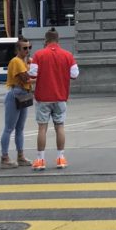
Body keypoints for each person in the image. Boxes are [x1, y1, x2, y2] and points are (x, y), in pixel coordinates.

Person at [28, 29, 79, 171]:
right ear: (58, 40)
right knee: (60, 127)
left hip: (43, 97)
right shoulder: (68, 55)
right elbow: (75, 74)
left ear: (46, 40)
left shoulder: (39, 54)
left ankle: (40, 159)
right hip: (60, 96)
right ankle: (60, 158)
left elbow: (32, 73)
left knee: (42, 128)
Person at [0, 39, 33, 169]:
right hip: (16, 93)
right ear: (17, 50)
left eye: (29, 47)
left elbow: (29, 78)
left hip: (24, 93)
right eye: (25, 48)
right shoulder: (16, 61)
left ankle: (20, 156)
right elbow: (26, 78)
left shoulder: (25, 62)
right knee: (9, 127)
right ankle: (4, 157)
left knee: (20, 128)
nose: (28, 50)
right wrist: (41, 76)